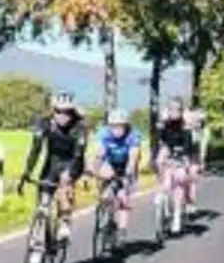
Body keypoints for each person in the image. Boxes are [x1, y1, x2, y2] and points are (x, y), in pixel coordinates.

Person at [17, 91, 89, 244]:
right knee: (43, 200)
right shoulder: (44, 123)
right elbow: (35, 150)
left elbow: (78, 156)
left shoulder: (80, 127)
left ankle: (65, 221)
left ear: (73, 112)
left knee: (64, 185)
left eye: (67, 112)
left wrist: (70, 176)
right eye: (58, 111)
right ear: (53, 110)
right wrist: (27, 172)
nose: (62, 116)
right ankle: (42, 232)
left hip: (72, 161)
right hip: (52, 162)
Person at [91, 109, 142, 234]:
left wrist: (128, 175)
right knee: (106, 188)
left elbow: (133, 158)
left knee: (122, 196)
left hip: (125, 165)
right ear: (109, 126)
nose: (117, 130)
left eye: (121, 126)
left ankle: (122, 229)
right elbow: (100, 154)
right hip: (110, 163)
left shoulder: (133, 136)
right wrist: (94, 169)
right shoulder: (104, 134)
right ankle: (106, 212)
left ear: (126, 126)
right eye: (114, 126)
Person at [153, 98, 199, 233]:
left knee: (179, 179)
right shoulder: (164, 123)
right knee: (160, 160)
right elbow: (158, 140)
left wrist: (184, 157)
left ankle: (177, 216)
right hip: (168, 148)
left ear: (181, 111)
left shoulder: (185, 126)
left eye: (177, 109)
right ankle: (161, 189)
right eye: (171, 109)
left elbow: (187, 144)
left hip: (181, 151)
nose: (174, 112)